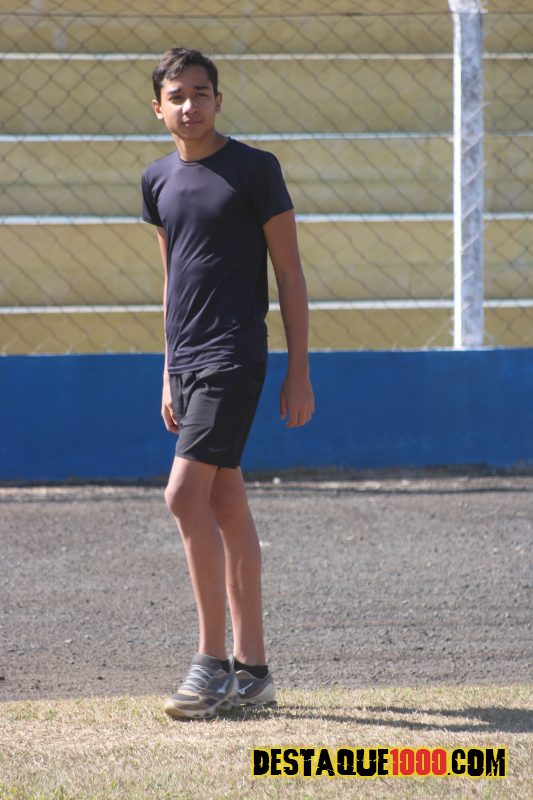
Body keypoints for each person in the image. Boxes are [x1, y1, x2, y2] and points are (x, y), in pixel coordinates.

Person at [141, 47, 314, 720]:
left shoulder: (254, 169)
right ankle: (255, 672)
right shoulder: (156, 179)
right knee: (225, 506)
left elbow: (290, 274)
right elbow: (172, 280)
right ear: (158, 109)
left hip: (235, 355)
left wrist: (298, 370)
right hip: (186, 362)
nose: (191, 105)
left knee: (183, 495)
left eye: (201, 92)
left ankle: (210, 666)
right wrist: (168, 370)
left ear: (218, 100)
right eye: (177, 96)